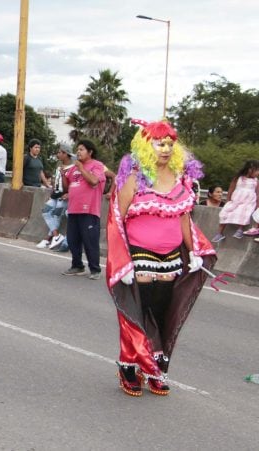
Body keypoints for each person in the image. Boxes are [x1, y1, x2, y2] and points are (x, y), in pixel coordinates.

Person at [106, 119, 215, 397]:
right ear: (146, 146)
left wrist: (195, 252)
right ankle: (130, 364)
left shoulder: (181, 179)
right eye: (159, 143)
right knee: (136, 311)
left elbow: (183, 220)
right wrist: (122, 260)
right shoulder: (134, 179)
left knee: (160, 311)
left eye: (169, 143)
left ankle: (152, 365)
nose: (165, 149)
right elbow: (116, 219)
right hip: (139, 252)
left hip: (170, 256)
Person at [61, 139, 106, 279]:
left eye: (81, 149)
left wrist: (81, 168)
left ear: (90, 152)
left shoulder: (97, 165)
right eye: (77, 149)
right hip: (74, 209)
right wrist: (63, 175)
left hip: (89, 210)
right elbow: (67, 188)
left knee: (90, 241)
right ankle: (77, 265)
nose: (78, 152)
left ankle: (95, 269)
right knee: (73, 240)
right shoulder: (73, 169)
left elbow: (93, 181)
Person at [36, 143, 74, 249]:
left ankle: (48, 238)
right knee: (46, 211)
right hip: (55, 194)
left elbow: (70, 185)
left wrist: (69, 193)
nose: (58, 154)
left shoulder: (72, 168)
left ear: (65, 154)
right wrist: (51, 193)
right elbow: (56, 182)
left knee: (57, 215)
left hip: (63, 195)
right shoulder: (59, 166)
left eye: (59, 152)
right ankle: (56, 236)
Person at [212, 160, 259, 241]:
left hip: (248, 202)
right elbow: (231, 189)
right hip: (236, 200)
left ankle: (240, 229)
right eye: (257, 170)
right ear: (250, 170)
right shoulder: (238, 178)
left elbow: (257, 193)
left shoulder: (256, 181)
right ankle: (219, 233)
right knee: (225, 211)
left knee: (244, 212)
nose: (258, 172)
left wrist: (257, 205)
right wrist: (228, 200)